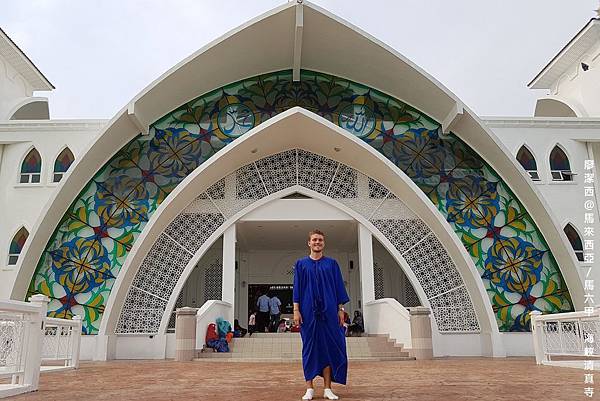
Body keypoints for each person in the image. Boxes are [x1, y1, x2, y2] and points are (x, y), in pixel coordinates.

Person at [293, 229, 349, 401]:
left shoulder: (332, 264)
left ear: (323, 243)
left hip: (330, 311)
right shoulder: (301, 264)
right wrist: (296, 310)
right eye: (314, 240)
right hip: (308, 312)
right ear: (309, 243)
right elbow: (297, 288)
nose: (317, 242)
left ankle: (327, 388)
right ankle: (309, 388)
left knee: (329, 347)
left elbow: (338, 286)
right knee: (309, 348)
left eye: (320, 240)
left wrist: (340, 309)